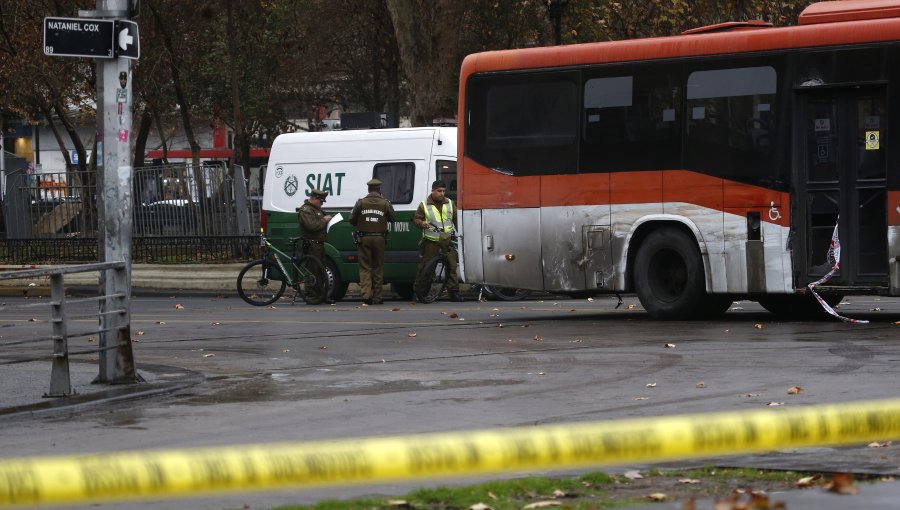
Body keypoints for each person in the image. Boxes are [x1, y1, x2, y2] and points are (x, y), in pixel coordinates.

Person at [413, 179, 463, 302]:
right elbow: (416, 219)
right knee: (426, 268)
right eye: (439, 191)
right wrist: (421, 223)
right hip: (431, 241)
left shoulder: (450, 203)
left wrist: (461, 233)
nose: (442, 193)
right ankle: (420, 292)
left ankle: (454, 293)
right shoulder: (424, 205)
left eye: (444, 191)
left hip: (447, 241)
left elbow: (456, 219)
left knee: (451, 266)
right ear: (433, 191)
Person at [349, 178, 395, 305]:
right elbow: (392, 217)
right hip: (380, 238)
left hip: (364, 238)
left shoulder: (361, 203)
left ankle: (367, 295)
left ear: (368, 189)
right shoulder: (385, 203)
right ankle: (377, 297)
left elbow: (352, 220)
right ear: (379, 190)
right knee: (378, 268)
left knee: (365, 268)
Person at [297, 189, 332, 304]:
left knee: (320, 271)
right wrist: (324, 220)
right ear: (315, 199)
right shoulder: (306, 210)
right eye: (321, 201)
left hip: (319, 244)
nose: (322, 204)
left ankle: (321, 295)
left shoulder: (316, 209)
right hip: (311, 245)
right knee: (312, 271)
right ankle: (311, 295)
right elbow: (311, 226)